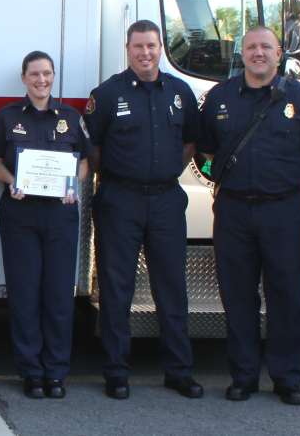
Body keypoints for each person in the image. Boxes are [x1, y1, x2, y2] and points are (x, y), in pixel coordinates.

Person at [197, 26, 300, 405]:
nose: (258, 53)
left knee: (286, 295)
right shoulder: (220, 98)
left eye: (266, 47)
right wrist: (221, 183)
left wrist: (286, 178)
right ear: (242, 54)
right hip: (234, 209)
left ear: (278, 54)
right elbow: (203, 152)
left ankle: (288, 378)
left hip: (284, 209)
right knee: (238, 297)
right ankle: (243, 377)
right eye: (252, 47)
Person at [85, 20, 203, 401]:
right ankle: (117, 371)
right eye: (138, 47)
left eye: (152, 46)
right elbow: (95, 150)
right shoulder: (106, 94)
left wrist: (164, 170)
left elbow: (189, 143)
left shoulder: (180, 92)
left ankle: (179, 371)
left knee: (171, 286)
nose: (145, 53)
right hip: (120, 199)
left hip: (166, 200)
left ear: (160, 48)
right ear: (128, 49)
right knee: (116, 289)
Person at [0, 51, 90, 400]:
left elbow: (85, 160)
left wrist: (73, 184)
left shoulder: (71, 118)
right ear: (24, 77)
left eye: (46, 74)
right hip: (20, 214)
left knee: (59, 296)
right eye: (34, 74)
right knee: (25, 294)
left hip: (60, 215)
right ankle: (31, 372)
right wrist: (10, 180)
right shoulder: (7, 117)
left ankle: (56, 373)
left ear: (53, 76)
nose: (41, 80)